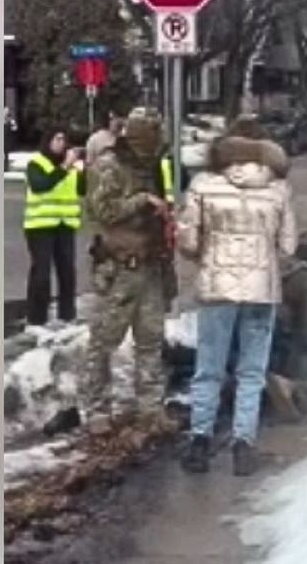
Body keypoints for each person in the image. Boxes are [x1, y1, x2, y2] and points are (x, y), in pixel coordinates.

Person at [176, 120, 295, 476]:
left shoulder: (202, 185)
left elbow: (188, 241)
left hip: (217, 289)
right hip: (261, 292)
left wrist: (207, 258)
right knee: (252, 370)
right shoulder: (278, 189)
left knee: (209, 367)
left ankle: (200, 440)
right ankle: (244, 446)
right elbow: (288, 246)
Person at [83, 116, 176, 433]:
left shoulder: (149, 166)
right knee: (104, 342)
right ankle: (97, 410)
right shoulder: (109, 166)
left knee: (151, 340)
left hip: (150, 264)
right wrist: (141, 201)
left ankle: (151, 409)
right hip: (120, 268)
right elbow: (101, 211)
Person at [23, 127, 85, 329]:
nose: (61, 143)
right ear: (48, 141)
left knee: (67, 272)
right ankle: (36, 318)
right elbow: (41, 185)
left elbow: (83, 190)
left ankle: (67, 315)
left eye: (63, 139)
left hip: (65, 225)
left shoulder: (72, 167)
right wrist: (65, 168)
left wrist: (84, 169)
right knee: (41, 274)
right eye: (57, 138)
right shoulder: (36, 164)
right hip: (40, 226)